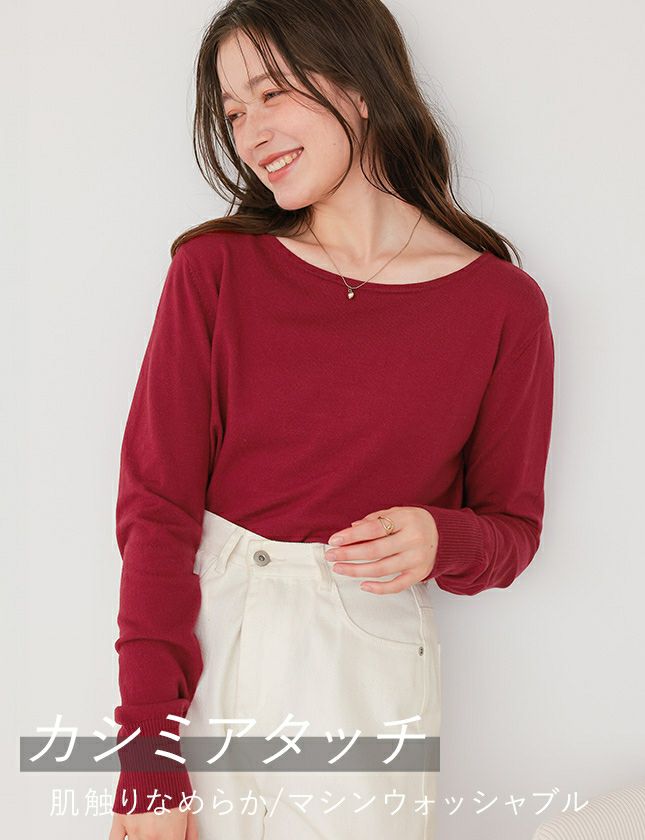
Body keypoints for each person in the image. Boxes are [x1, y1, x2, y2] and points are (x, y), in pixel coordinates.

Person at [108, 0, 555, 838]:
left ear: (358, 85)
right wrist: (147, 758)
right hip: (209, 648)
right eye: (233, 112)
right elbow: (155, 515)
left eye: (272, 92)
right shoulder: (214, 272)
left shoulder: (502, 306)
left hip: (366, 667)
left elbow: (513, 530)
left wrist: (441, 537)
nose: (251, 134)